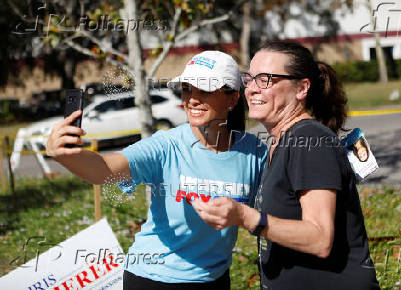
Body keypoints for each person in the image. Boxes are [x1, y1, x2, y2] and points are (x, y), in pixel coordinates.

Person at [46, 50, 267, 289]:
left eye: (204, 90)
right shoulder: (165, 145)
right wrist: (67, 155)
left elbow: (273, 213)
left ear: (232, 99)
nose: (192, 99)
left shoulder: (254, 151)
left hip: (214, 279)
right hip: (153, 279)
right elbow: (105, 170)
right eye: (187, 89)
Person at [193, 41, 380, 289]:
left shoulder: (311, 141)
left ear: (302, 88)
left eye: (266, 79)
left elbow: (320, 238)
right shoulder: (281, 143)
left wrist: (246, 217)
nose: (251, 89)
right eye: (249, 78)